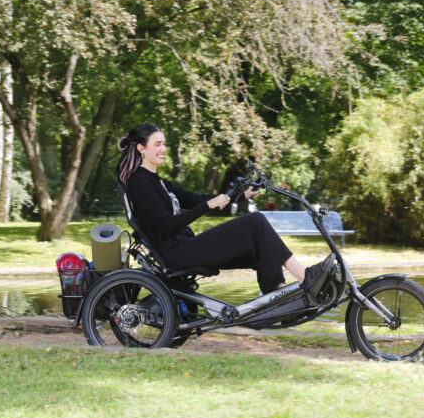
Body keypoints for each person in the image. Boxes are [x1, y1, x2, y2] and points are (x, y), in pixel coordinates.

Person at [116, 123, 333, 296]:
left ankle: (275, 298)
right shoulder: (139, 182)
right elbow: (164, 226)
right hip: (177, 253)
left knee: (259, 244)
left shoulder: (159, 182)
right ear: (141, 148)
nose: (163, 149)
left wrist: (242, 195)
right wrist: (206, 206)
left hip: (185, 246)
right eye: (157, 144)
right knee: (255, 222)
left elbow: (198, 199)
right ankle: (305, 277)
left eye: (164, 143)